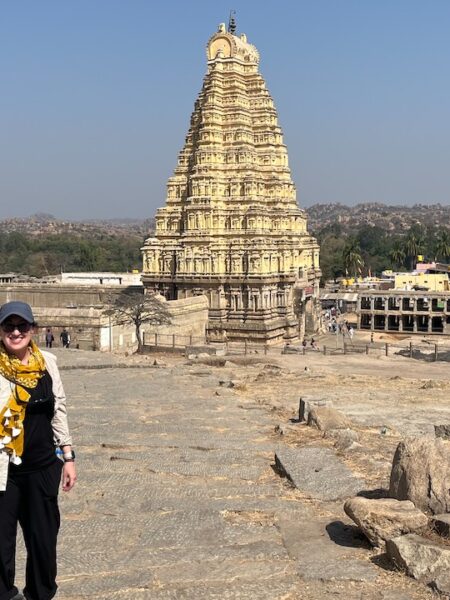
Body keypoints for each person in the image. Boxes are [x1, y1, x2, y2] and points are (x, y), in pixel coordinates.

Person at [0, 301, 76, 600]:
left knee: (43, 543)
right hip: (4, 472)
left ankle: (40, 595)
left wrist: (68, 457)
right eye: (9, 326)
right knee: (1, 546)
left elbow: (59, 411)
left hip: (42, 467)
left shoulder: (47, 363)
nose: (16, 332)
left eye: (22, 326)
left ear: (33, 329)